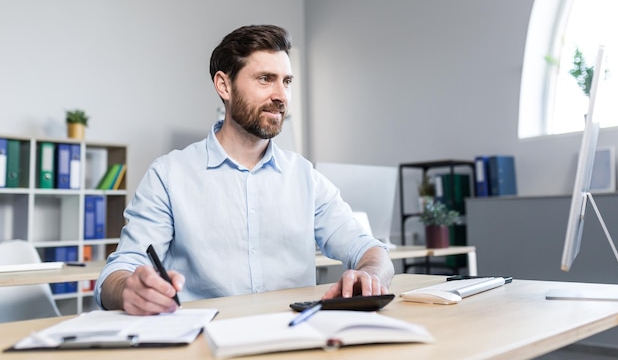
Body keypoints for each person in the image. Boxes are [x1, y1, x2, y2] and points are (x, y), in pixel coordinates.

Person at [94, 24, 394, 315]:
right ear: (224, 85)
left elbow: (369, 250)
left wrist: (370, 275)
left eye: (286, 81)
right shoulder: (169, 176)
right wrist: (129, 289)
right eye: (265, 79)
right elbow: (118, 272)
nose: (281, 96)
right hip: (206, 343)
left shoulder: (304, 176)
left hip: (294, 340)